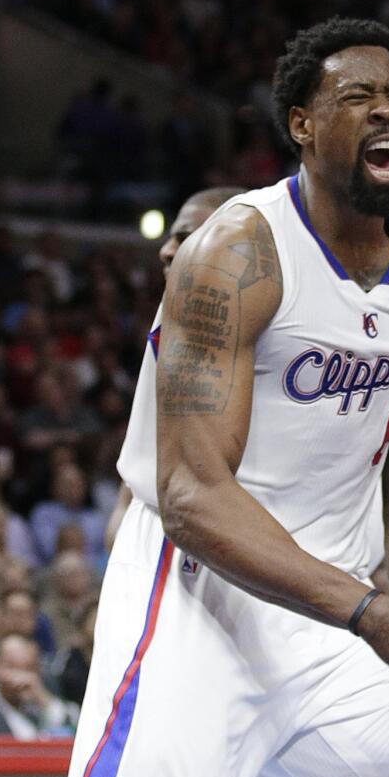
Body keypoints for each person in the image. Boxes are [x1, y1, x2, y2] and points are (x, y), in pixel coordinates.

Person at [69, 17, 389, 777]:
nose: (385, 111)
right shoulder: (236, 253)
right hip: (202, 601)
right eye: (357, 96)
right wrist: (370, 612)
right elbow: (191, 494)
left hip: (338, 618)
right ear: (303, 125)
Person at [104, 185, 247, 551]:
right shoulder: (173, 324)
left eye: (184, 237)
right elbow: (147, 458)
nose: (166, 251)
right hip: (172, 539)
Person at [0, 633, 78, 738]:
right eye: (13, 667)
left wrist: (43, 699)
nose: (23, 677)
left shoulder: (41, 700)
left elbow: (72, 730)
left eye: (29, 668)